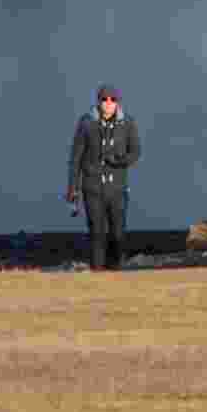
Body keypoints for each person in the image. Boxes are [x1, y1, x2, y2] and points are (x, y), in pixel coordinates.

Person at [66, 83, 139, 271]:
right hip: (93, 188)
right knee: (97, 232)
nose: (108, 103)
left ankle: (116, 270)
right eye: (104, 99)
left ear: (118, 102)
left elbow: (136, 152)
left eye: (112, 99)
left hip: (118, 189)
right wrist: (72, 189)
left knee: (118, 233)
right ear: (98, 102)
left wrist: (119, 161)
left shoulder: (128, 123)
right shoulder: (86, 123)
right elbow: (75, 158)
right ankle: (97, 272)